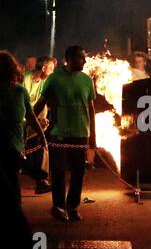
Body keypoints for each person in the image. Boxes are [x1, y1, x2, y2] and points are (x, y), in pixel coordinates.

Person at [34, 46, 96, 222]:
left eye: (84, 58)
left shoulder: (86, 80)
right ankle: (59, 207)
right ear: (68, 59)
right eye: (80, 58)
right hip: (59, 133)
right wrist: (28, 122)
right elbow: (42, 101)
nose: (84, 61)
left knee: (78, 173)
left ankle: (73, 207)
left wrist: (93, 138)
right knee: (59, 172)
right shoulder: (54, 79)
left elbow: (90, 110)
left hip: (80, 133)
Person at [0, 51, 47, 205]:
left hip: (15, 145)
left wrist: (42, 136)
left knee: (13, 189)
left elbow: (31, 116)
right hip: (6, 147)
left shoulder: (20, 92)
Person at [22, 56, 55, 194]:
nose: (53, 72)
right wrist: (31, 121)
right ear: (43, 68)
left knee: (42, 146)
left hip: (34, 119)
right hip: (22, 118)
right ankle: (40, 179)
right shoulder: (25, 79)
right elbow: (21, 104)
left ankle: (42, 181)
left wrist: (42, 120)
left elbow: (43, 103)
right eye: (51, 69)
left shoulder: (45, 81)